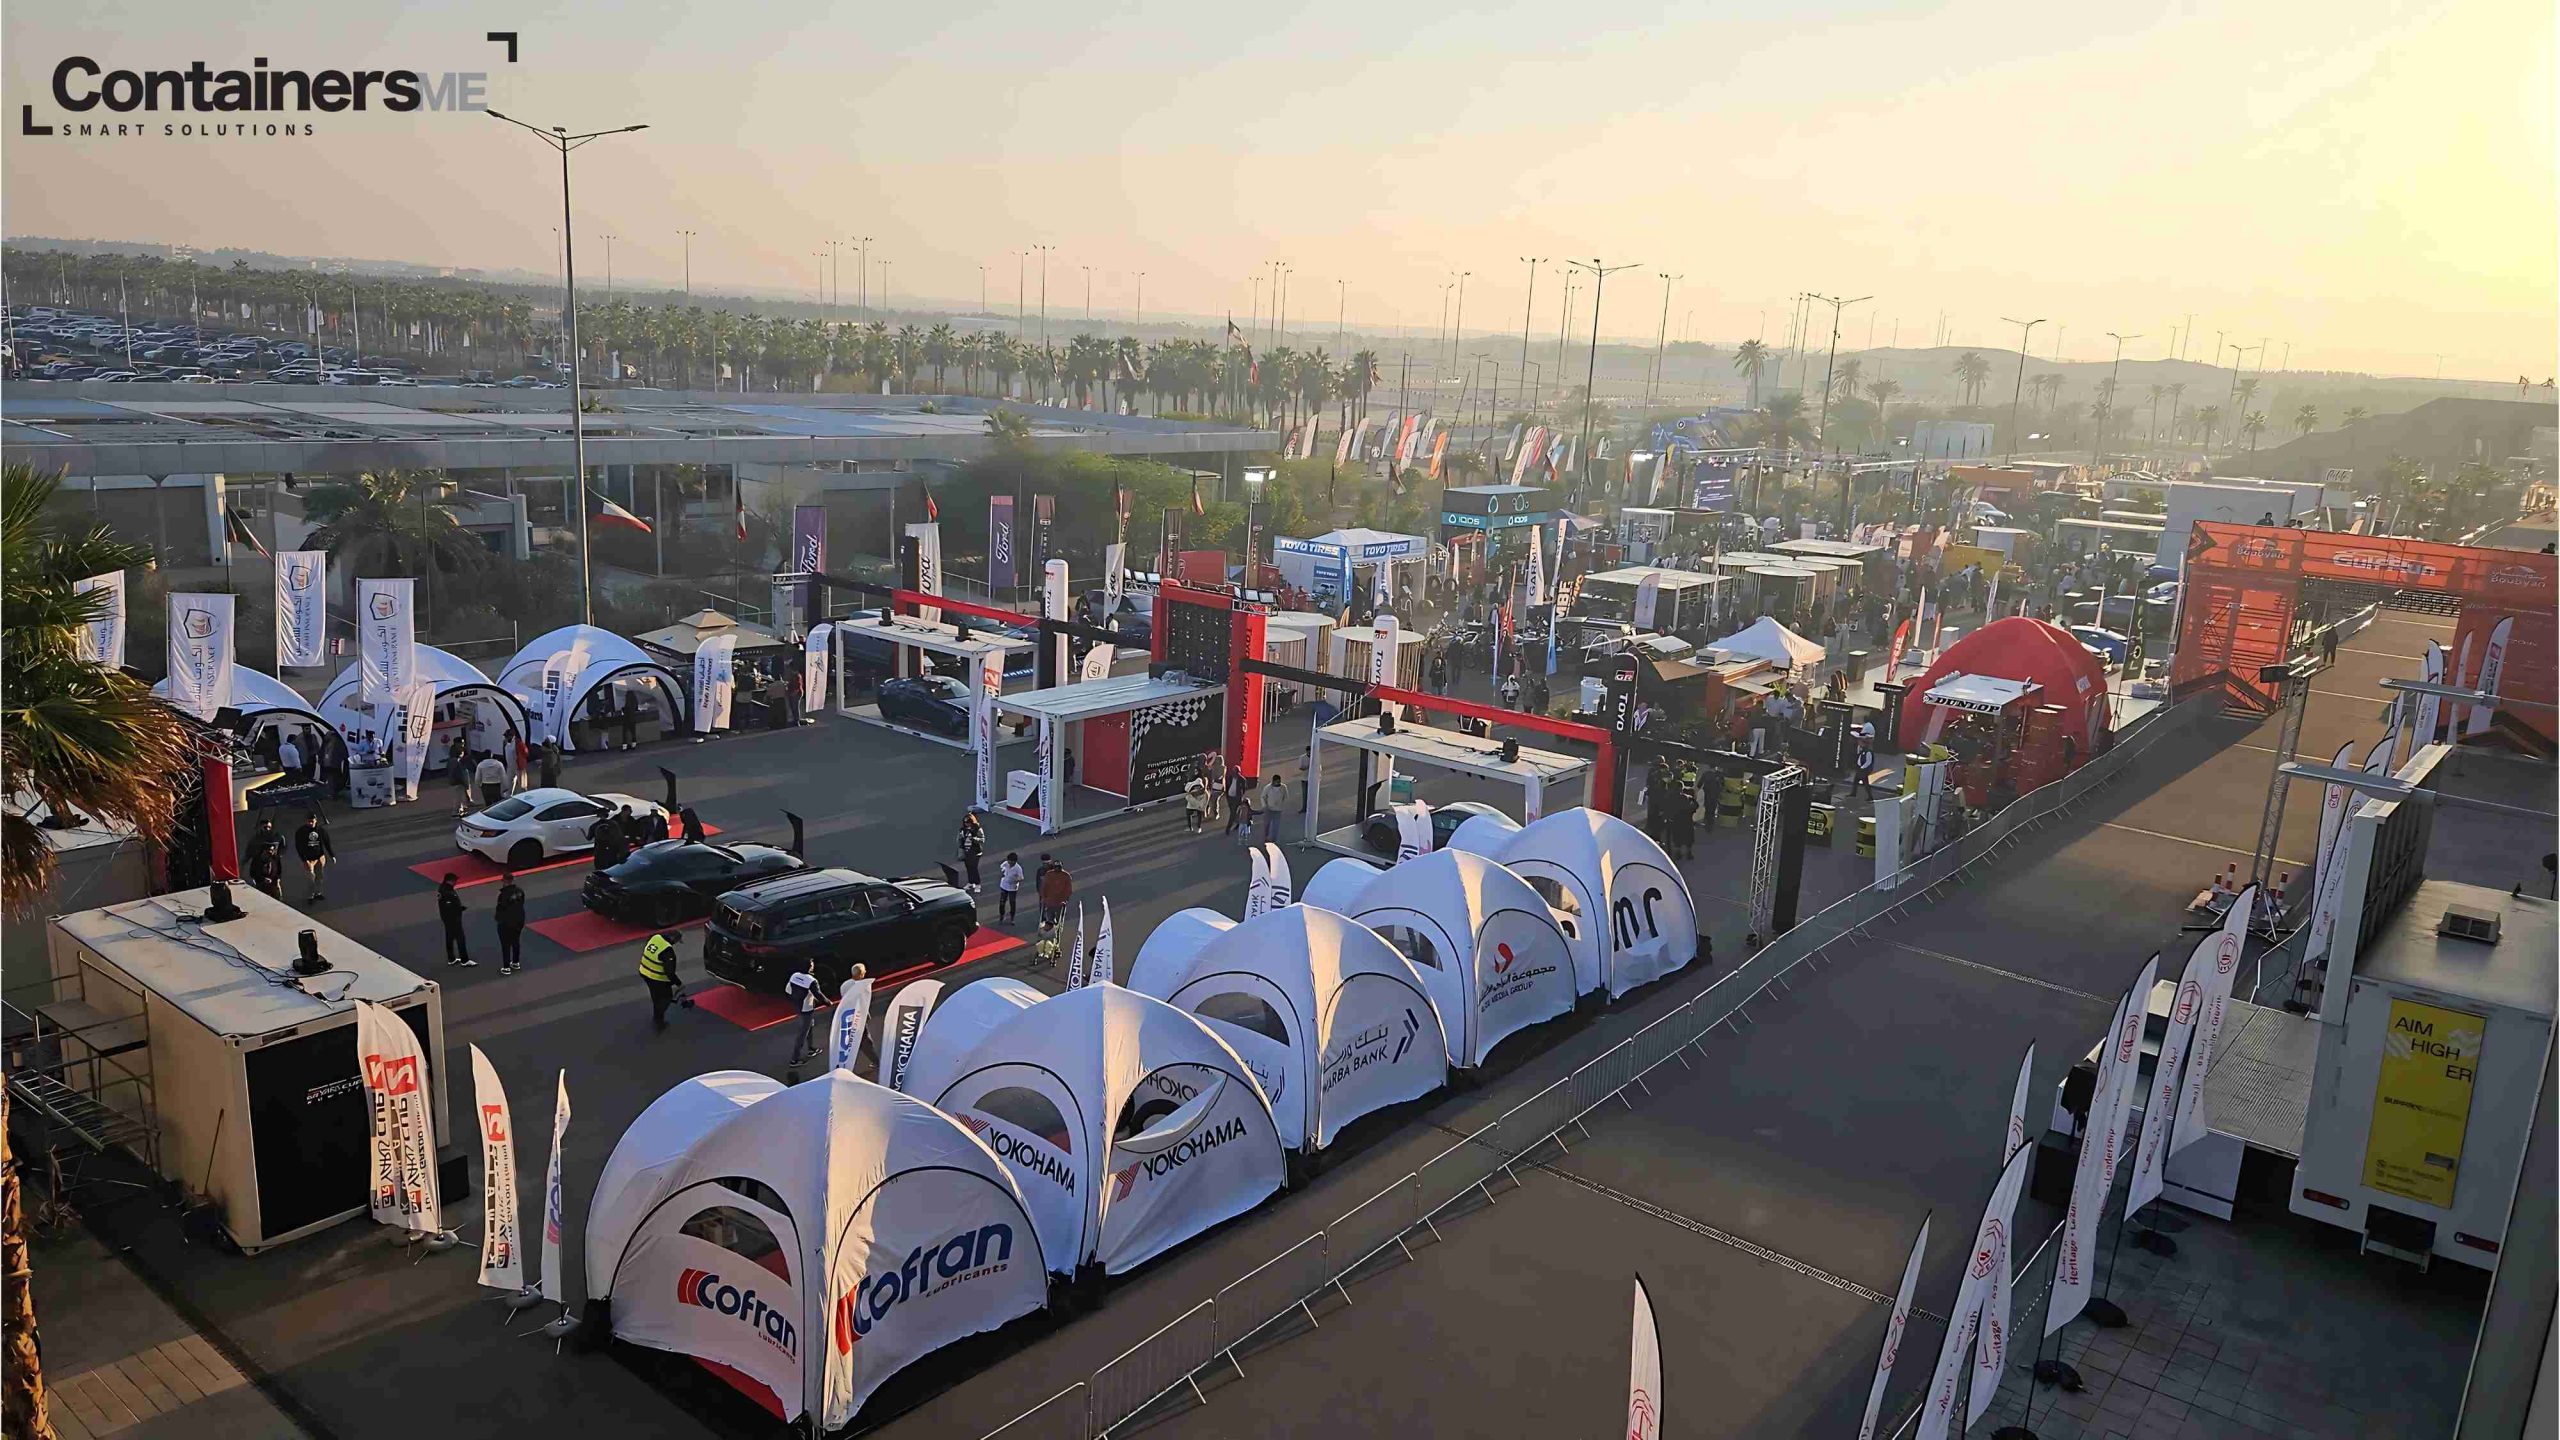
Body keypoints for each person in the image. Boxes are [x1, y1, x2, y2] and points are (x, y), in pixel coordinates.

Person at [786, 957, 833, 1064]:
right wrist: (828, 1003)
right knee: (803, 1033)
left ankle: (811, 1049)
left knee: (809, 1027)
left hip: (798, 1006)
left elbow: (788, 989)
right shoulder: (811, 981)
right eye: (812, 964)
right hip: (807, 1008)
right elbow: (819, 995)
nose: (813, 966)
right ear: (809, 967)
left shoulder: (794, 976)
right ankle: (794, 1059)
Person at [639, 929, 683, 1030]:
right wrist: (679, 984)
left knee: (656, 996)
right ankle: (658, 1018)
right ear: (674, 939)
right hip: (657, 978)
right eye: (677, 941)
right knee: (666, 997)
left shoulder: (655, 937)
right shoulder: (667, 951)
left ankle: (657, 1015)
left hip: (644, 972)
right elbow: (670, 972)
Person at [293, 812, 334, 903]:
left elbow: (327, 843)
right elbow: (299, 847)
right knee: (311, 878)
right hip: (309, 859)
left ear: (316, 820)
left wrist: (332, 855)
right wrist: (304, 860)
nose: (311, 823)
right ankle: (310, 895)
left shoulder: (321, 831)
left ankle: (318, 893)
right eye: (309, 821)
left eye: (312, 821)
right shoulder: (301, 832)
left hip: (319, 857)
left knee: (319, 876)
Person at [437, 874, 476, 967]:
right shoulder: (447, 892)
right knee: (460, 938)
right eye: (454, 881)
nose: (455, 882)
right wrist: (459, 909)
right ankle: (464, 960)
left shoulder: (442, 889)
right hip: (453, 919)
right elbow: (449, 907)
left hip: (447, 918)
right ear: (449, 880)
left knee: (449, 937)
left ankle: (451, 958)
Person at [494, 871, 527, 974]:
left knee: (505, 944)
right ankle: (516, 962)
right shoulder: (520, 891)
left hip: (506, 922)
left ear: (504, 880)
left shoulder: (503, 894)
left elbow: (501, 908)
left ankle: (506, 966)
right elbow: (522, 903)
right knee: (516, 941)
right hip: (519, 920)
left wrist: (498, 919)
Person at [1036, 853, 1072, 929]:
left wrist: (1065, 897)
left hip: (1056, 894)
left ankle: (1057, 921)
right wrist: (1040, 892)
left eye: (1047, 863)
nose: (1045, 865)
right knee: (1043, 907)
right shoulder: (1040, 871)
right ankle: (1044, 921)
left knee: (1056, 908)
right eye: (1044, 863)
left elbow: (1067, 886)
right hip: (1045, 893)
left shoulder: (1059, 872)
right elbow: (1039, 882)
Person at [588, 806, 628, 872]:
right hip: (612, 849)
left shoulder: (594, 826)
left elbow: (589, 838)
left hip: (600, 849)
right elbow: (620, 837)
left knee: (600, 868)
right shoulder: (614, 823)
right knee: (613, 867)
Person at [957, 811, 987, 894]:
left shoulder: (977, 829)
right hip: (966, 851)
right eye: (965, 822)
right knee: (968, 867)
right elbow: (959, 839)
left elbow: (982, 839)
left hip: (975, 852)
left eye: (968, 822)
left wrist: (974, 839)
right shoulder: (963, 830)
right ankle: (971, 882)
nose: (966, 824)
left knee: (974, 868)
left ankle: (977, 884)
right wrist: (960, 840)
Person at [997, 852, 1025, 924]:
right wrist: (1002, 872)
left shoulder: (1018, 868)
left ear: (1014, 861)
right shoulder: (1005, 863)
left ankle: (1012, 918)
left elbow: (1021, 878)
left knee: (1012, 902)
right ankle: (1002, 915)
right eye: (1008, 861)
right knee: (1002, 902)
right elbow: (1001, 867)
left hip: (1012, 888)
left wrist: (1015, 880)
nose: (1009, 863)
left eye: (1010, 861)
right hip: (1004, 885)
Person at [449, 737, 473, 814]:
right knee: (459, 793)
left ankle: (467, 800)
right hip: (458, 777)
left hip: (462, 771)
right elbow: (456, 770)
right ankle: (458, 810)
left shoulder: (463, 749)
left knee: (465, 787)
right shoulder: (454, 753)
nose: (463, 744)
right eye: (461, 743)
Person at [1262, 773, 1286, 841]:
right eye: (1276, 782)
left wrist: (1282, 804)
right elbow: (1263, 797)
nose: (1278, 783)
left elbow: (1286, 796)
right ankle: (1266, 837)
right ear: (1273, 781)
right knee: (1267, 824)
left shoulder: (1283, 787)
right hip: (1269, 809)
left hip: (1278, 809)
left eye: (1279, 781)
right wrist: (1264, 806)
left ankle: (1274, 839)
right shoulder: (1268, 788)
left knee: (1276, 825)